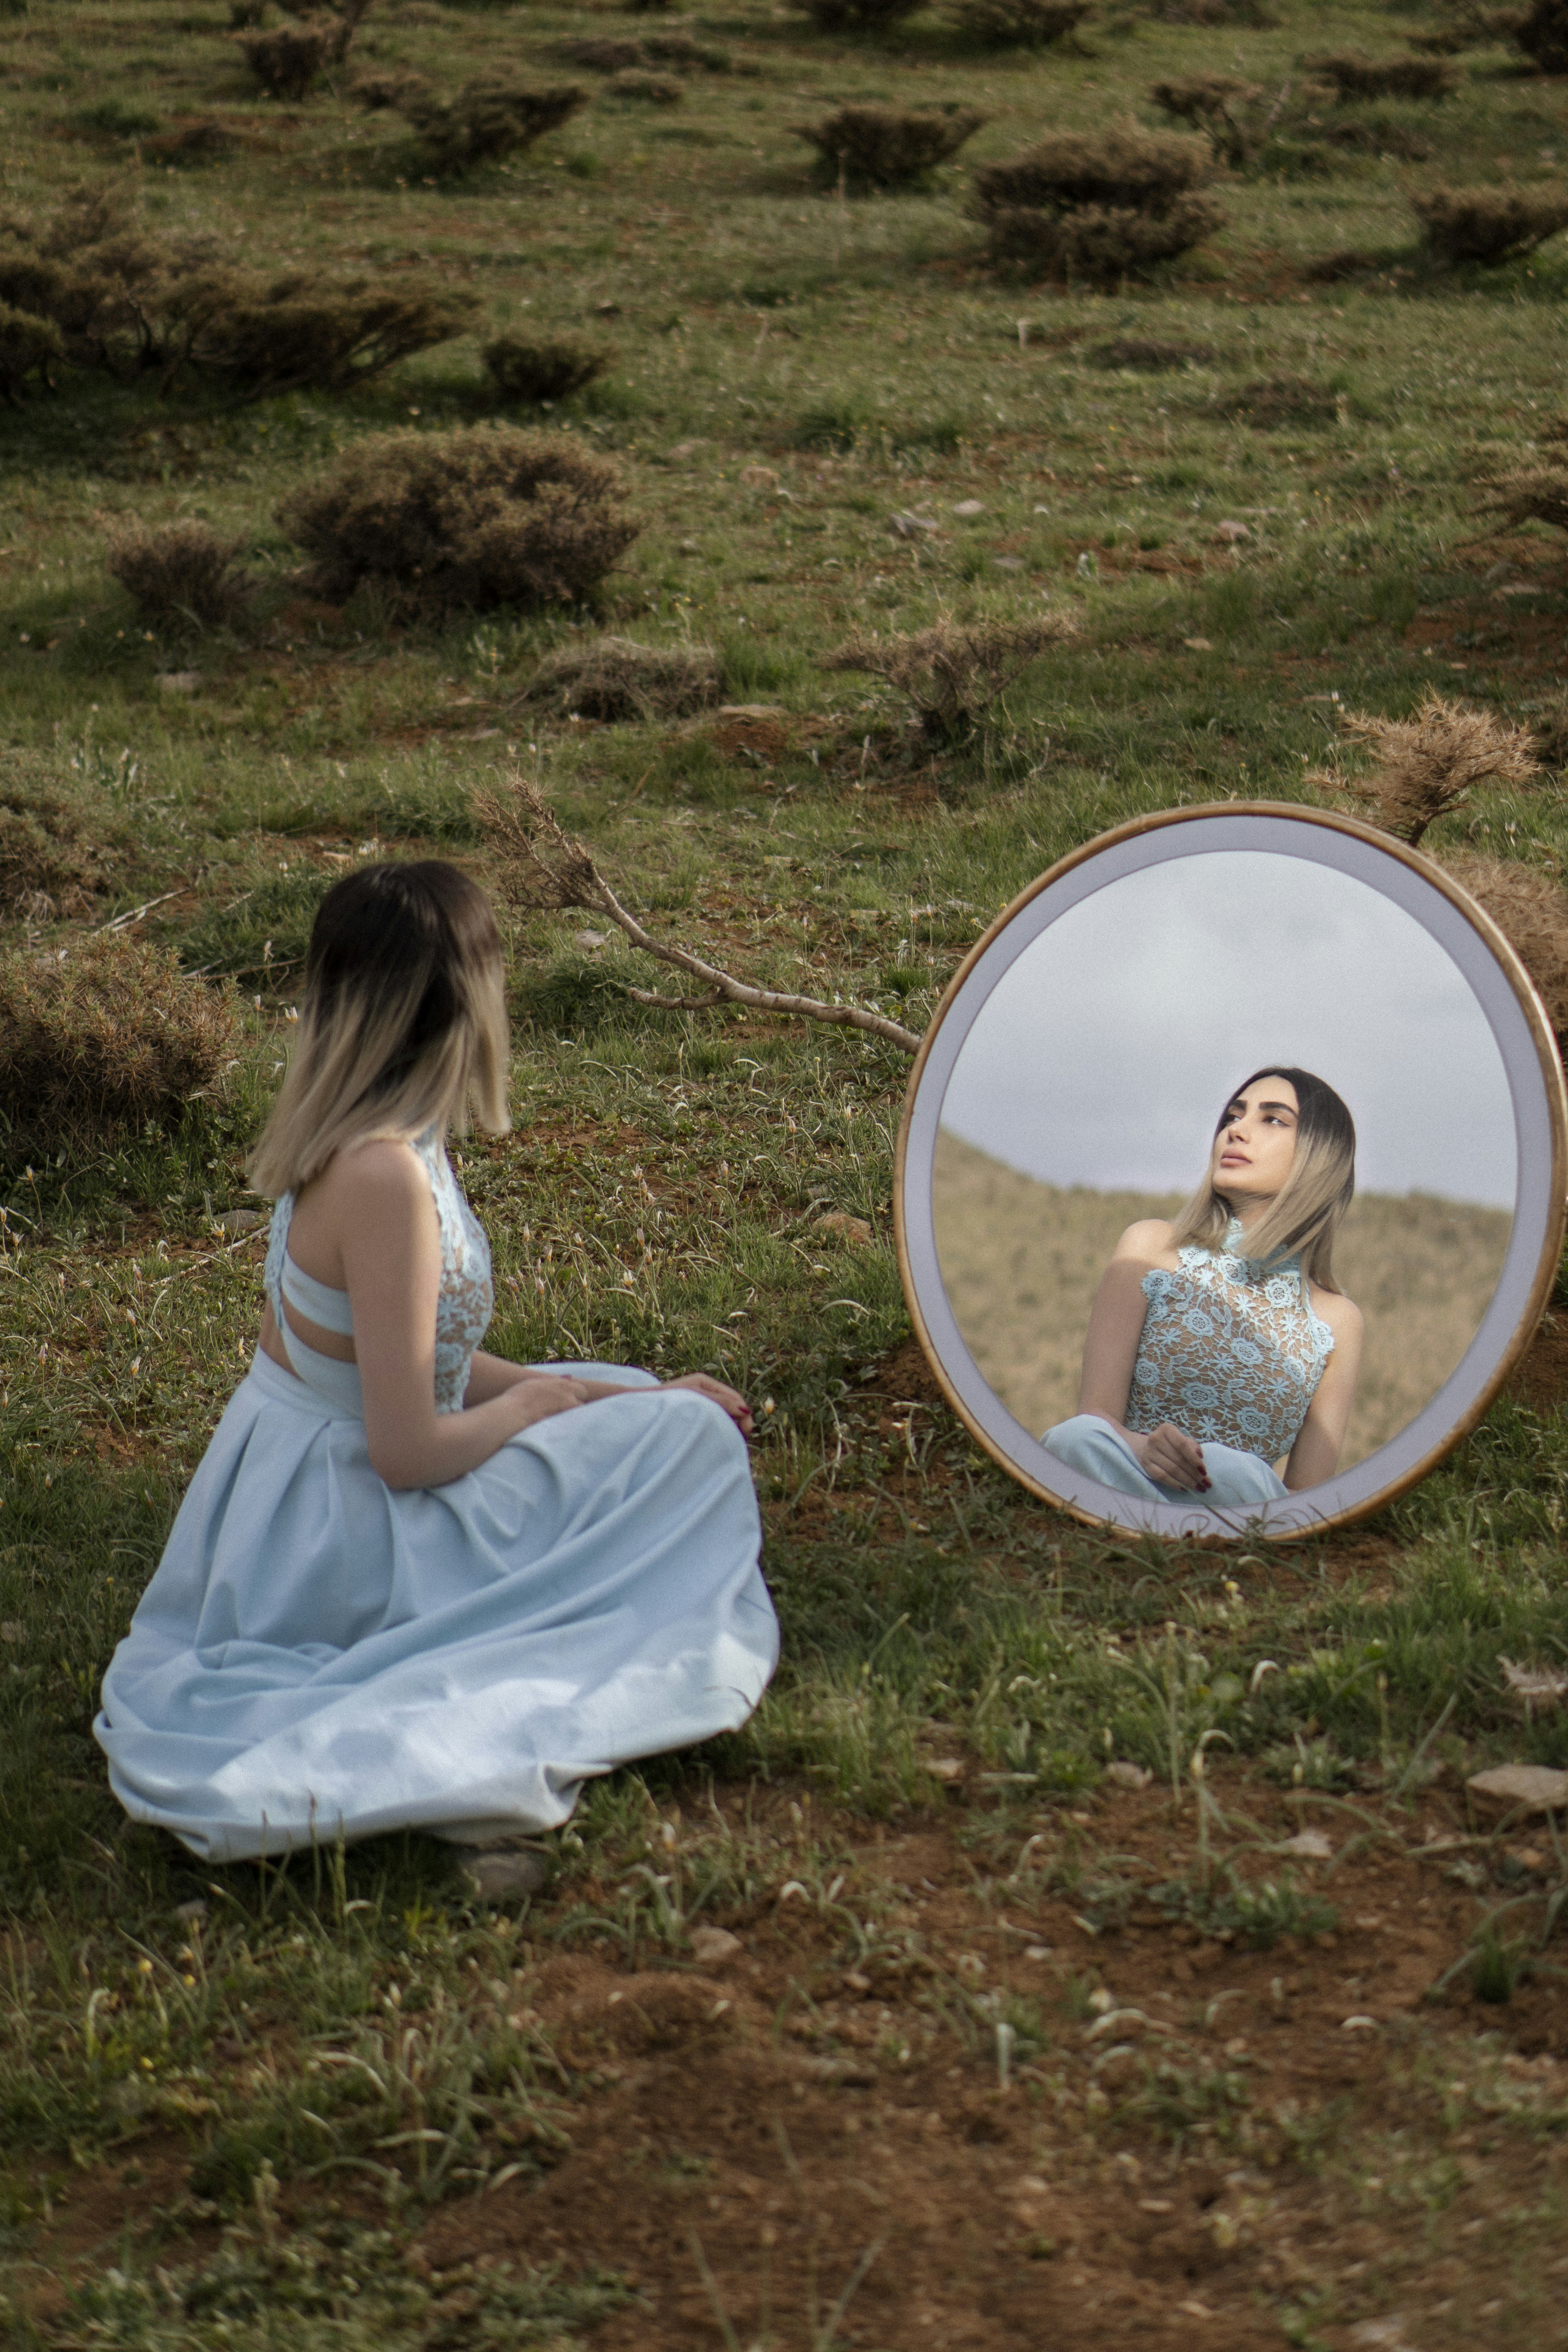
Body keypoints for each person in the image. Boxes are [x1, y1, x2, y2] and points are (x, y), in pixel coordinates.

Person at [95, 862, 779, 1864]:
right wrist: (538, 1406)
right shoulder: (386, 1180)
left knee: (643, 1401)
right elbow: (407, 1449)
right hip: (350, 1528)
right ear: (463, 1006)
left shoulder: (367, 1136)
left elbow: (421, 1358)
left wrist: (596, 1394)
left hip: (303, 1481)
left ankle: (630, 1434)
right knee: (692, 1448)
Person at [1042, 1067, 1363, 1513]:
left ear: (1320, 1156)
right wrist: (1142, 1450)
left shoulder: (1336, 1321)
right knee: (1072, 1438)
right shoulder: (1151, 1246)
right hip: (1124, 1481)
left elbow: (1306, 1499)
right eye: (1234, 1116)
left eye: (1272, 1120)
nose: (1236, 1130)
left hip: (1237, 1512)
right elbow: (1096, 1418)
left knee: (1239, 1473)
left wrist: (1234, 1476)